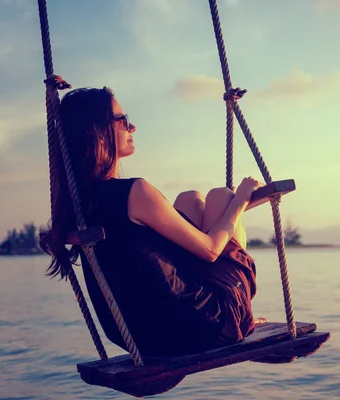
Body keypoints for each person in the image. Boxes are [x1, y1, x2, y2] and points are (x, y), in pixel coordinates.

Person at [40, 86, 264, 357]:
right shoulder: (136, 193)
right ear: (97, 131)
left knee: (190, 200)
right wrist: (240, 199)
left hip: (139, 335)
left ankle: (232, 295)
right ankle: (243, 314)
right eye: (122, 119)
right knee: (223, 196)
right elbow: (211, 249)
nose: (131, 126)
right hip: (206, 326)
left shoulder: (76, 203)